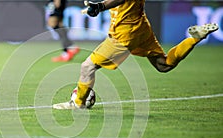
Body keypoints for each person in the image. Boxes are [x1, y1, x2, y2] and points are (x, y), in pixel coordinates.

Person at [53, 0, 219, 109]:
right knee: (164, 64)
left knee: (87, 66)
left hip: (124, 34)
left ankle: (78, 103)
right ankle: (193, 39)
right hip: (141, 27)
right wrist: (97, 4)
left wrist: (100, 6)